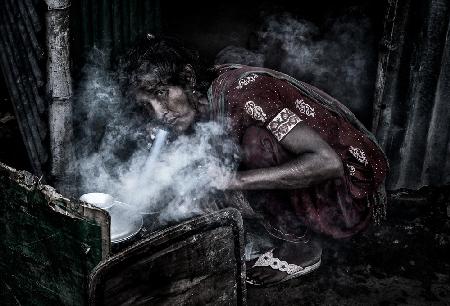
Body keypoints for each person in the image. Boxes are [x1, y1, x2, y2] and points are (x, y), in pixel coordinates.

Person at [117, 35, 389, 286]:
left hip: (348, 197)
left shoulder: (243, 93)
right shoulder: (202, 100)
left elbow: (327, 162)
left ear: (187, 77)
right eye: (147, 104)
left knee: (256, 143)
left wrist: (233, 181)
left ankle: (301, 248)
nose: (158, 112)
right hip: (318, 190)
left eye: (161, 94)